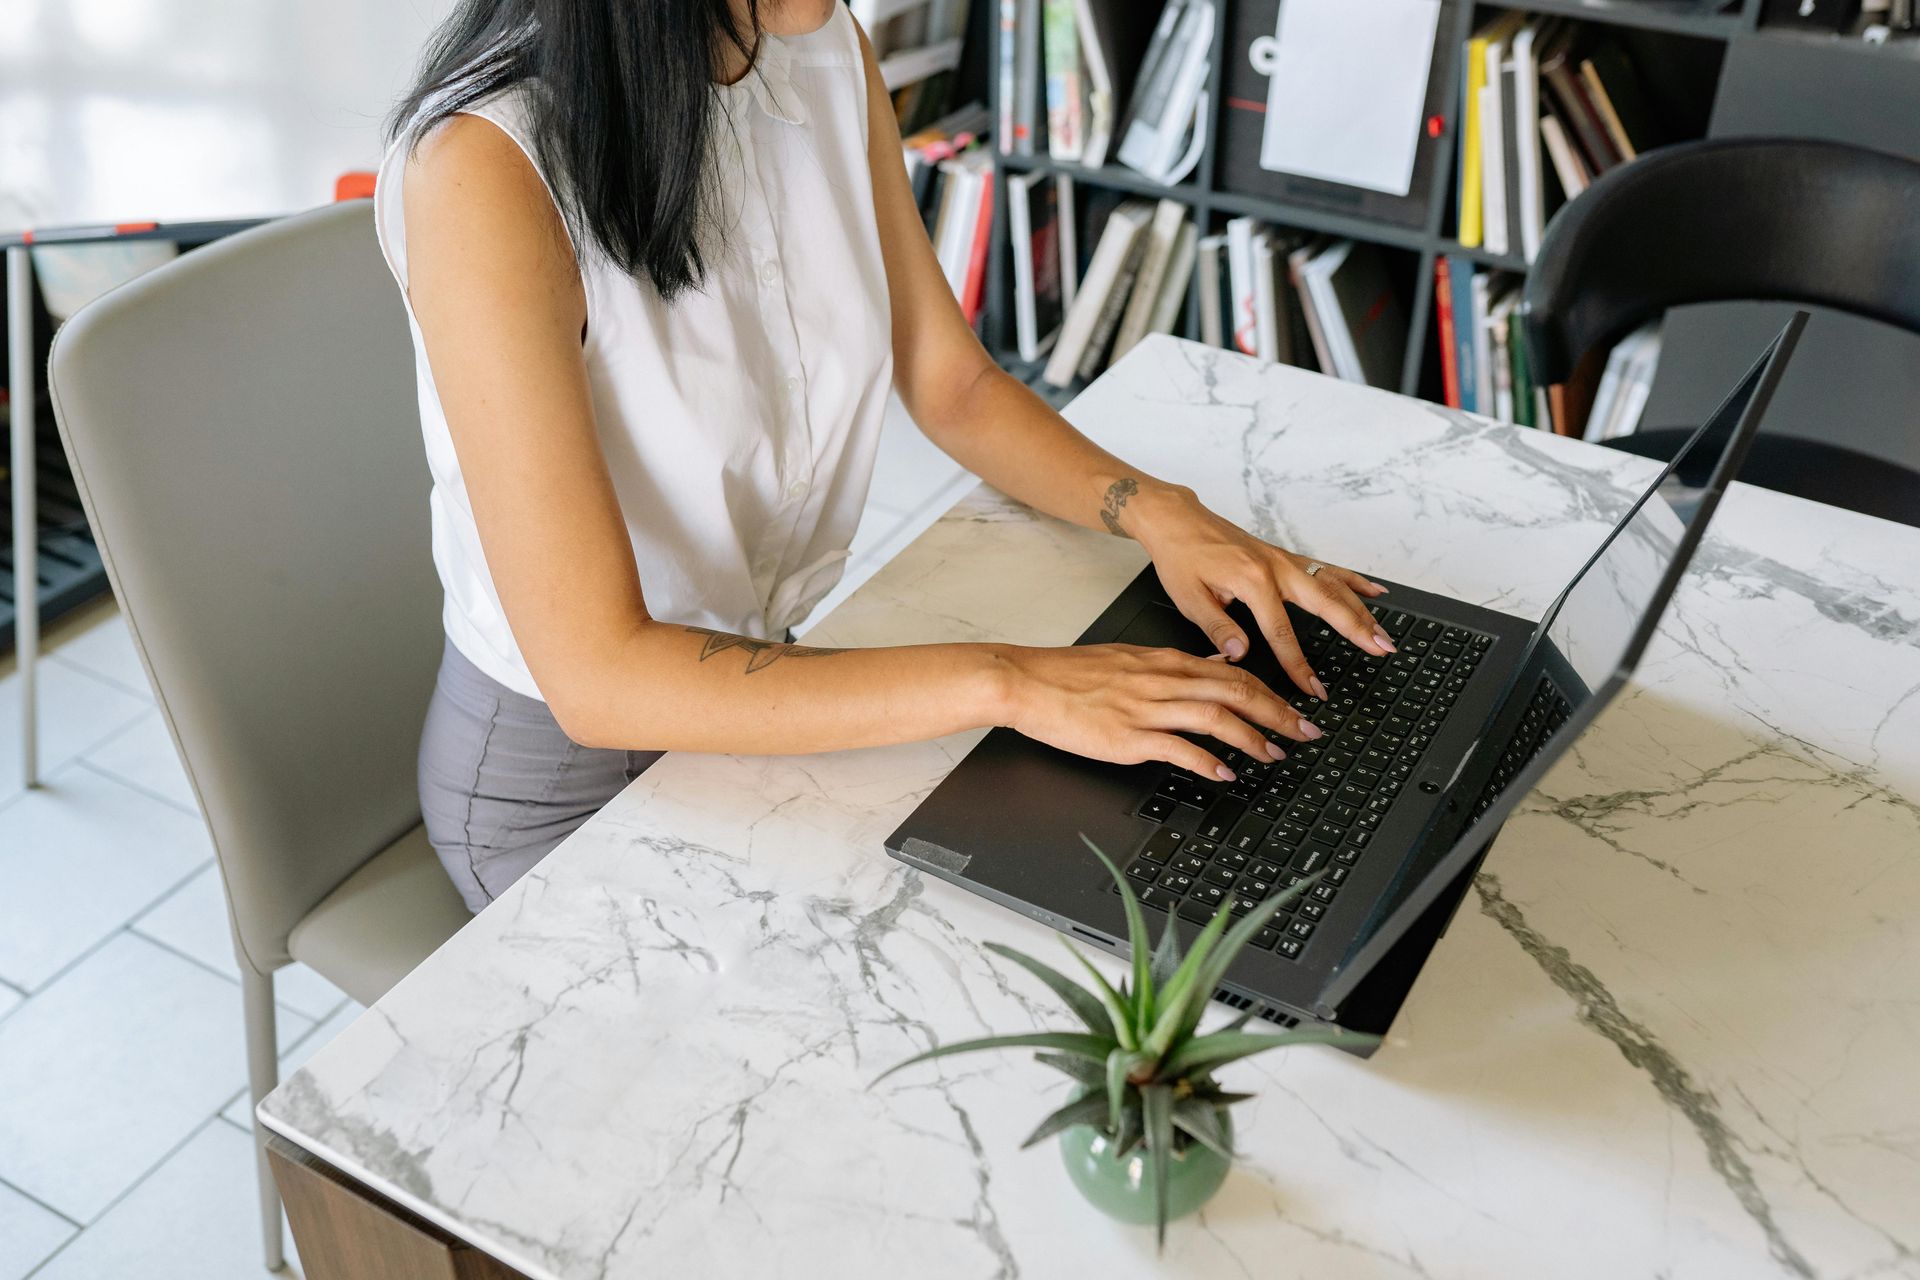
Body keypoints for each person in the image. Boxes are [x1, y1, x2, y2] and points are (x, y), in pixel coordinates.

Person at [377, 0, 1394, 912]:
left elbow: (951, 384)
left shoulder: (820, 46)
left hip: (765, 687)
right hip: (563, 785)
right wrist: (1018, 681)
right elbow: (599, 679)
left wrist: (1161, 512)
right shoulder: (482, 166)